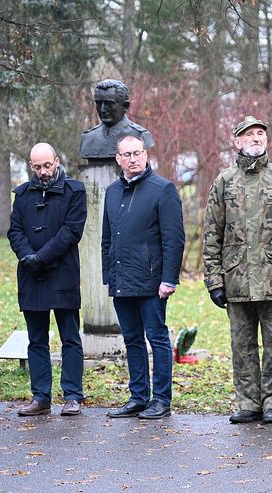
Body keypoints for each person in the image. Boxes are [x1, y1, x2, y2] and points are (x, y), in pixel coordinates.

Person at [203, 116, 272, 425]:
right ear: (237, 142)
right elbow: (212, 233)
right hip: (236, 278)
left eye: (260, 133)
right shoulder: (224, 181)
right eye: (248, 134)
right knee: (242, 345)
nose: (255, 138)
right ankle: (248, 403)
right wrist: (214, 280)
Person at [103, 136, 185, 419]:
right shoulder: (112, 192)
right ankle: (138, 397)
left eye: (137, 153)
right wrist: (109, 275)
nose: (132, 159)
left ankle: (161, 400)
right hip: (121, 280)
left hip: (152, 283)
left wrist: (169, 279)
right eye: (126, 154)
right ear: (118, 159)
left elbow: (174, 239)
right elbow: (107, 239)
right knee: (132, 340)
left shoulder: (163, 189)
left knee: (157, 339)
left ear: (146, 155)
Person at [8, 143, 88, 417]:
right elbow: (15, 231)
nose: (43, 171)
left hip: (62, 273)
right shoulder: (22, 195)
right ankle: (41, 397)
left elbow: (71, 231)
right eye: (37, 167)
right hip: (31, 276)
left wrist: (41, 257)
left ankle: (73, 396)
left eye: (47, 165)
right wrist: (28, 257)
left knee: (70, 338)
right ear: (31, 166)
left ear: (56, 161)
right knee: (36, 340)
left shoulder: (74, 192)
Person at [80, 79, 154, 160]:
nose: (102, 109)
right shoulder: (88, 138)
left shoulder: (140, 135)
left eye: (109, 104)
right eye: (99, 103)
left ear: (125, 106)